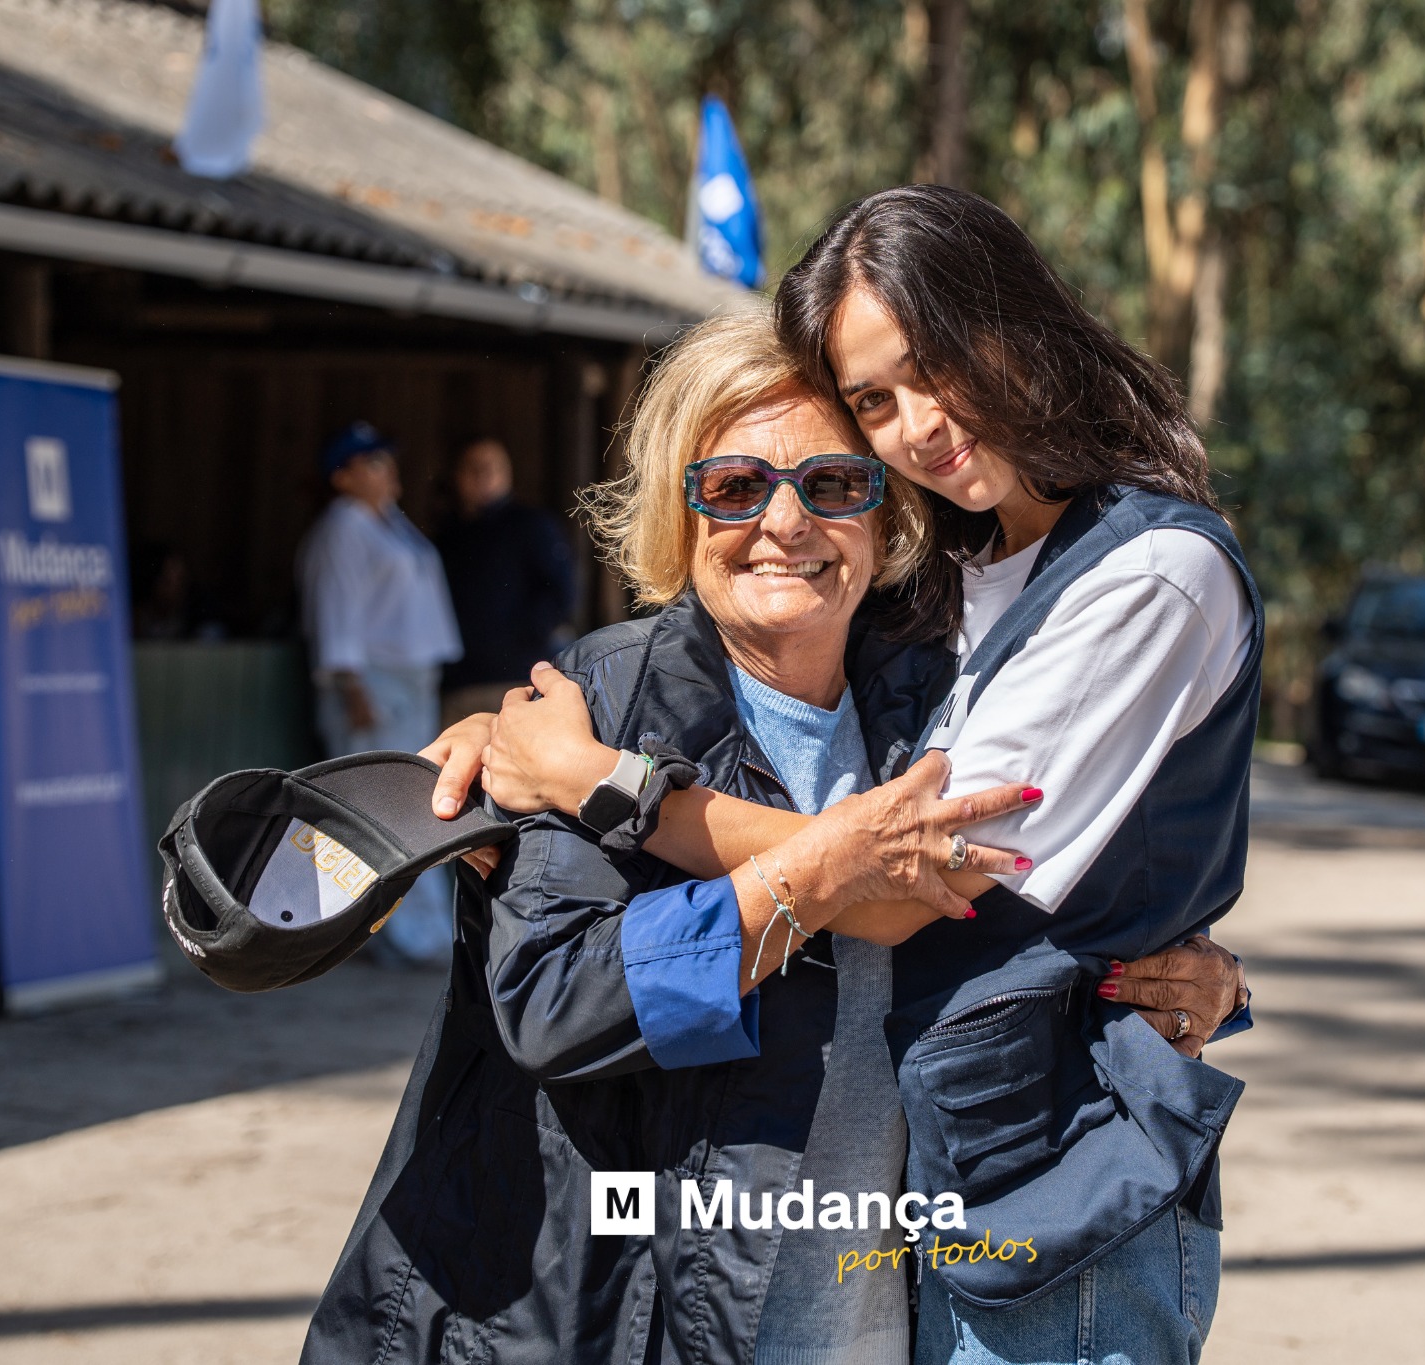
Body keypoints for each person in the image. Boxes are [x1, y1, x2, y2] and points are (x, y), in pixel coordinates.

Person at [303, 314, 1245, 1365]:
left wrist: (1171, 979)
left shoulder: (941, 708)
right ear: (678, 507)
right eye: (736, 487)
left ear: (885, 515)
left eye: (834, 486)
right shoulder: (595, 708)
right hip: (645, 1304)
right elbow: (555, 1002)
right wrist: (819, 869)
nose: (785, 524)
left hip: (882, 1306)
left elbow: (1035, 912)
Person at [296, 420, 463, 967]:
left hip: (410, 680)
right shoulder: (342, 527)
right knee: (375, 804)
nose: (385, 471)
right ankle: (389, 937)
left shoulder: (389, 522)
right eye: (369, 463)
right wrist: (351, 686)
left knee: (414, 802)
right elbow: (334, 608)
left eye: (385, 460)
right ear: (341, 477)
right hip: (371, 681)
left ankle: (423, 932)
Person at [433, 437, 578, 725]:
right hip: (462, 683)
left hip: (519, 678)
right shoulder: (446, 537)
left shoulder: (532, 526)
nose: (483, 475)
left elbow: (562, 592)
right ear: (458, 476)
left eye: (492, 467)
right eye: (474, 468)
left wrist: (525, 637)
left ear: (507, 473)